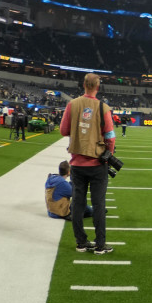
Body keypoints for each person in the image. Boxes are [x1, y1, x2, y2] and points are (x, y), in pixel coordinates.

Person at [59, 73, 115, 254]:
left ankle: (81, 243)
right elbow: (110, 136)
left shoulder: (72, 104)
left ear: (84, 85)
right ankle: (100, 245)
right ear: (97, 87)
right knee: (98, 204)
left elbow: (63, 130)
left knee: (78, 203)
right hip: (98, 163)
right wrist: (109, 154)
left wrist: (80, 132)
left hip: (77, 163)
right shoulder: (103, 107)